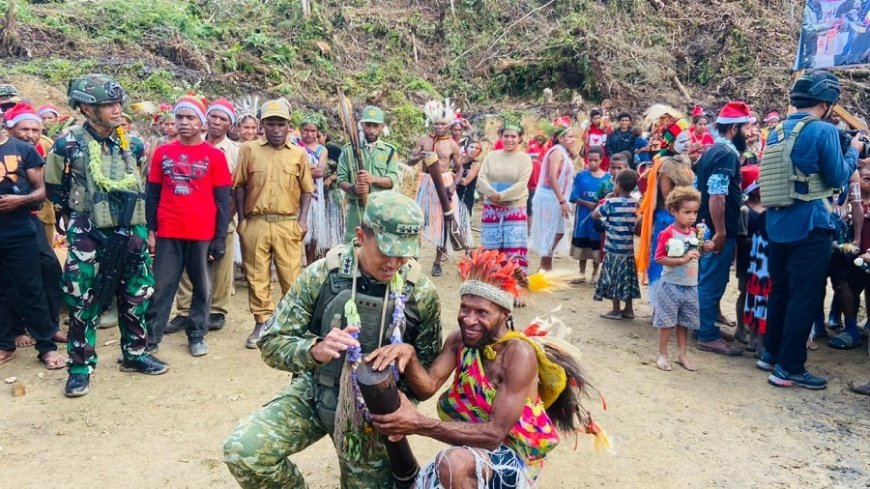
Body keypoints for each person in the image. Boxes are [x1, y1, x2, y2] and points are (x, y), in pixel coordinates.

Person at [223, 191, 443, 489]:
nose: (394, 263)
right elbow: (272, 341)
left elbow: (427, 377)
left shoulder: (420, 292)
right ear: (361, 235)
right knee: (245, 451)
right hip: (317, 391)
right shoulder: (323, 275)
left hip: (373, 416)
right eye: (386, 251)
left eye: (403, 253)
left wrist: (408, 360)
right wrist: (314, 349)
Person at [366, 248, 606, 488]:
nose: (469, 320)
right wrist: (409, 353)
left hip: (514, 458)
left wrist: (418, 424)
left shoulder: (518, 355)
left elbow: (494, 435)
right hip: (474, 450)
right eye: (465, 308)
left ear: (504, 314)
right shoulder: (459, 340)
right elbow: (428, 386)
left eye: (482, 312)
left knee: (453, 464)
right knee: (454, 463)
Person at [45, 74, 168, 397]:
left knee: (136, 292)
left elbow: (139, 183)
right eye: (108, 105)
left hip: (132, 228)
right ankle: (80, 367)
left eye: (118, 103)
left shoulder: (135, 143)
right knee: (82, 296)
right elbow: (54, 189)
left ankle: (136, 354)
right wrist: (81, 216)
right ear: (87, 108)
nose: (116, 110)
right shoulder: (67, 143)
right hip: (88, 230)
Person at [761, 70, 863, 389]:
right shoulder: (822, 130)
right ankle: (789, 368)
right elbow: (837, 177)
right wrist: (853, 151)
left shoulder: (777, 130)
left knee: (780, 291)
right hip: (810, 224)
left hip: (777, 223)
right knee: (805, 296)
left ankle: (770, 354)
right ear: (827, 102)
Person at [144, 95, 232, 357]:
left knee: (202, 287)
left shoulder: (214, 156)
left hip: (202, 233)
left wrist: (219, 237)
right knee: (161, 286)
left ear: (202, 122)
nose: (183, 122)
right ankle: (151, 337)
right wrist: (151, 230)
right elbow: (153, 194)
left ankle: (196, 334)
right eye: (179, 117)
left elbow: (222, 200)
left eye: (190, 117)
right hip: (169, 231)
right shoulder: (162, 153)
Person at [234, 99, 314, 349]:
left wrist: (302, 220)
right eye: (271, 124)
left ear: (289, 126)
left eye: (281, 124)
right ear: (263, 125)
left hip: (287, 222)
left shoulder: (299, 153)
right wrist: (242, 220)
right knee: (257, 275)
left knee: (291, 276)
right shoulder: (249, 150)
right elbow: (239, 185)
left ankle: (292, 323)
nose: (276, 129)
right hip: (255, 222)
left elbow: (306, 190)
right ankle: (262, 322)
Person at [168, 98, 240, 334]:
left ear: (230, 124)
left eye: (224, 119)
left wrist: (225, 219)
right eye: (214, 117)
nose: (217, 122)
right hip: (191, 217)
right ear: (205, 119)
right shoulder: (189, 147)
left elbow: (237, 189)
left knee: (221, 264)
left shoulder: (236, 152)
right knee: (188, 267)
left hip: (223, 216)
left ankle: (217, 310)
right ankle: (184, 311)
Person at [0, 113, 65, 369]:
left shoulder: (22, 149)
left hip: (19, 231)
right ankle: (5, 344)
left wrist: (21, 200)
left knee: (32, 288)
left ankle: (46, 347)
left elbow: (41, 191)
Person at [693, 102, 752, 357]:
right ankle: (706, 334)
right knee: (711, 281)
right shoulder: (726, 155)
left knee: (707, 278)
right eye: (747, 128)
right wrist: (720, 231)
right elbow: (717, 194)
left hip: (704, 224)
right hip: (715, 227)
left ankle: (704, 328)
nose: (750, 134)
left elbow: (699, 188)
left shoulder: (710, 152)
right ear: (735, 128)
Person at [409, 99, 470, 276]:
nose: (439, 127)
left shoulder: (452, 144)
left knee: (444, 222)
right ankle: (412, 257)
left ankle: (437, 261)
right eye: (436, 124)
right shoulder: (423, 140)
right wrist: (418, 157)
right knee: (418, 221)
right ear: (431, 123)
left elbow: (459, 169)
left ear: (449, 124)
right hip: (426, 183)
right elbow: (409, 160)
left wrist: (453, 186)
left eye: (443, 124)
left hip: (445, 184)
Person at [652, 186, 702, 372]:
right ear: (674, 211)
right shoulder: (668, 233)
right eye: (687, 212)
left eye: (695, 212)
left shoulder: (694, 232)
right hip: (671, 284)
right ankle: (662, 353)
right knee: (666, 322)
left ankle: (682, 353)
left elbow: (697, 253)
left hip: (690, 285)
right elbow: (659, 258)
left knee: (685, 322)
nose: (691, 216)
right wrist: (681, 260)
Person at [636, 155, 695, 307]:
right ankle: (660, 305)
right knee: (662, 260)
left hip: (681, 217)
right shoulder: (666, 166)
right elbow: (668, 197)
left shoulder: (685, 165)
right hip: (667, 219)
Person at [337, 105, 400, 242]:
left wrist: (373, 179)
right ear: (362, 125)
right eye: (368, 125)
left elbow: (392, 179)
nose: (372, 130)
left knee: (379, 246)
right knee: (353, 245)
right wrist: (354, 188)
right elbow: (341, 179)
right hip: (356, 210)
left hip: (380, 210)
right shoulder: (349, 150)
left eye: (376, 126)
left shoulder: (389, 151)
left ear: (382, 127)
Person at [476, 124, 533, 270]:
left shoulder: (524, 159)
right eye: (506, 136)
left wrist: (500, 196)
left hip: (514, 208)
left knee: (514, 248)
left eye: (513, 136)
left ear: (520, 138)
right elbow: (481, 178)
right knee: (490, 248)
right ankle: (491, 281)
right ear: (501, 137)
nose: (509, 140)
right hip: (491, 208)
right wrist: (490, 193)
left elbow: (521, 184)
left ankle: (514, 282)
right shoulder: (491, 156)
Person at [592, 168, 640, 320]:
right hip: (628, 250)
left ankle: (616, 310)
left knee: (614, 279)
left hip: (613, 250)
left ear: (617, 185)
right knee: (627, 279)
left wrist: (608, 199)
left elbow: (595, 214)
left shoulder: (611, 203)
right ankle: (629, 309)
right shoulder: (636, 204)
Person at [529, 126, 576, 270]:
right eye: (569, 136)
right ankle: (545, 266)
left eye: (574, 137)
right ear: (560, 138)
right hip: (550, 197)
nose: (572, 139)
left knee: (559, 231)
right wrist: (562, 201)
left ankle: (546, 264)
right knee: (552, 231)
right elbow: (552, 178)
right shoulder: (556, 152)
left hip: (557, 196)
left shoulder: (564, 152)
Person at [741, 169, 769, 357]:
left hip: (759, 262)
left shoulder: (767, 210)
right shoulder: (747, 210)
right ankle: (756, 340)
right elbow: (742, 238)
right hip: (759, 262)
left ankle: (756, 340)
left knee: (758, 299)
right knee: (757, 299)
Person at [295, 113, 330, 263]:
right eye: (306, 130)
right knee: (296, 227)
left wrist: (300, 170)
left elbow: (320, 172)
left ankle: (310, 262)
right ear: (300, 130)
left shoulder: (322, 150)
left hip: (315, 195)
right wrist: (310, 168)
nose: (309, 134)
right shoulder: (293, 144)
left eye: (313, 131)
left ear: (317, 132)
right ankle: (295, 261)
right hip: (295, 193)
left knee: (314, 229)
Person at [570, 145, 608, 283]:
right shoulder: (581, 176)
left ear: (601, 160)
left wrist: (599, 206)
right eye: (589, 160)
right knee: (583, 242)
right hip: (583, 217)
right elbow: (573, 196)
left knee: (597, 243)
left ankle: (595, 273)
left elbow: (609, 198)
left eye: (595, 160)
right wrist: (589, 204)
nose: (592, 163)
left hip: (598, 218)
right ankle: (581, 272)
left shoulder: (607, 178)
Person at [455, 138, 483, 217]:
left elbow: (465, 182)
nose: (473, 150)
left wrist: (450, 175)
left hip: (464, 197)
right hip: (452, 194)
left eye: (477, 148)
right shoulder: (459, 160)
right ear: (466, 148)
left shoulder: (476, 165)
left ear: (479, 153)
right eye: (471, 147)